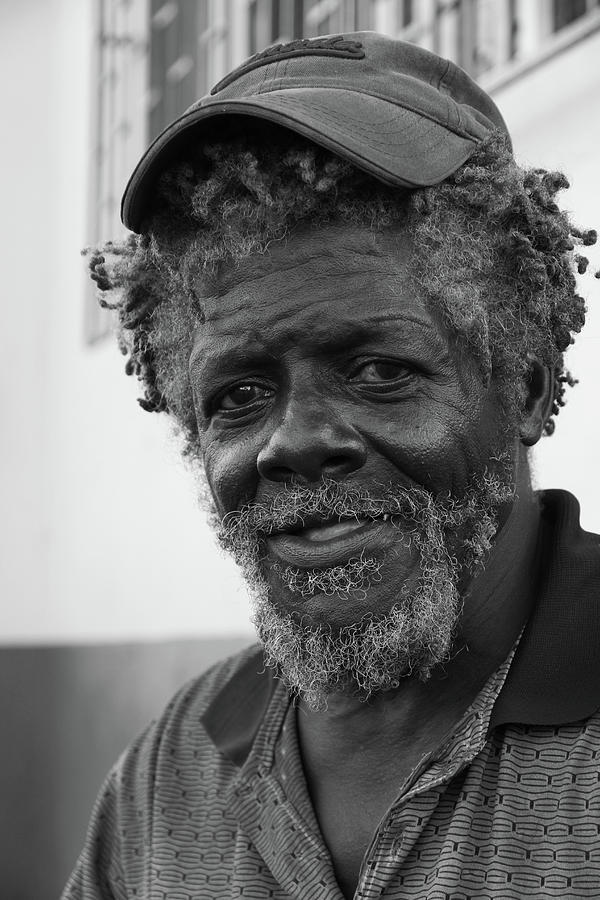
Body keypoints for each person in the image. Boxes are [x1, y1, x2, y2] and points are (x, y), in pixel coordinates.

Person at [64, 32, 600, 900]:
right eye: (238, 395)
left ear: (527, 388)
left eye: (381, 370)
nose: (293, 441)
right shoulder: (173, 770)